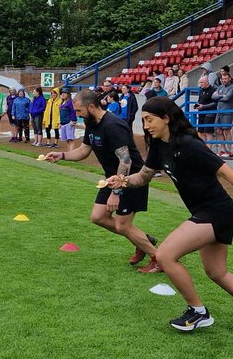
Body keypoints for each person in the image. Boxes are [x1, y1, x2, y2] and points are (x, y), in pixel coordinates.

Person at [109, 96, 233, 332]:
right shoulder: (159, 146)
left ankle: (198, 312)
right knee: (217, 272)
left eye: (149, 120)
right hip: (207, 211)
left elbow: (227, 172)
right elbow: (142, 177)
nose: (146, 126)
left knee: (165, 255)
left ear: (166, 118)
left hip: (216, 211)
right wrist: (122, 180)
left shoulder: (189, 144)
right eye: (143, 121)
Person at [43, 90, 159, 270]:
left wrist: (116, 192)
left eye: (79, 111)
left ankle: (158, 259)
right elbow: (83, 150)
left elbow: (125, 160)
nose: (77, 115)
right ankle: (142, 239)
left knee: (122, 225)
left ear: (91, 107)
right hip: (111, 178)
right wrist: (62, 155)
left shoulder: (113, 125)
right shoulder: (91, 123)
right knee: (98, 217)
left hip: (131, 178)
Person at [211, 70, 233, 156]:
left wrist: (218, 97)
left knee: (227, 130)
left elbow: (227, 98)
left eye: (225, 78)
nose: (224, 80)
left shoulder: (232, 87)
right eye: (223, 78)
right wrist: (222, 96)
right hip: (219, 111)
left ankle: (228, 150)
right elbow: (213, 97)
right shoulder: (220, 87)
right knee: (218, 130)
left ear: (229, 78)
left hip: (227, 111)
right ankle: (222, 149)